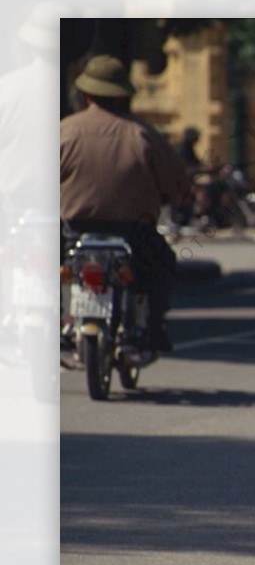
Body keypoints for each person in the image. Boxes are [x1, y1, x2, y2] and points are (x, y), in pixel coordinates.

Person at [60, 54, 191, 352]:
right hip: (133, 233)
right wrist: (179, 200)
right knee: (162, 265)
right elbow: (176, 182)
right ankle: (153, 329)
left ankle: (61, 322)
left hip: (73, 233)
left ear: (86, 94)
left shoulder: (65, 132)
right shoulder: (142, 134)